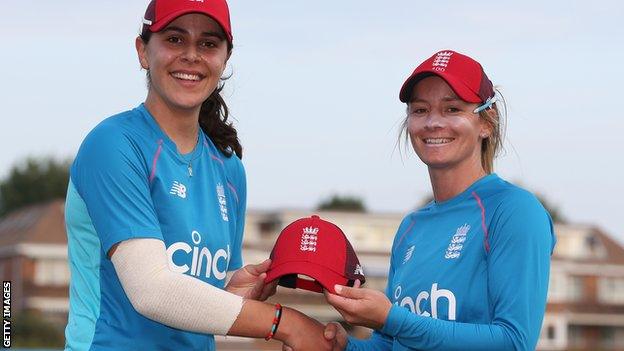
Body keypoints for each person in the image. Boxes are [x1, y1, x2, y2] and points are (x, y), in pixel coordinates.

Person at [63, 1, 332, 350]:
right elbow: (153, 291)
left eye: (208, 43)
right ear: (143, 51)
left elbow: (202, 311)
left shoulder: (229, 166)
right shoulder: (113, 144)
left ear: (225, 58)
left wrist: (234, 294)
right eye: (175, 39)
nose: (191, 55)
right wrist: (286, 323)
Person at [321, 50, 556, 350]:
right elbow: (388, 344)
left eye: (452, 109)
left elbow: (512, 342)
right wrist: (342, 346)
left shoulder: (514, 210)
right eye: (420, 110)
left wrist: (391, 318)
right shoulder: (411, 227)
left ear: (486, 122)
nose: (432, 122)